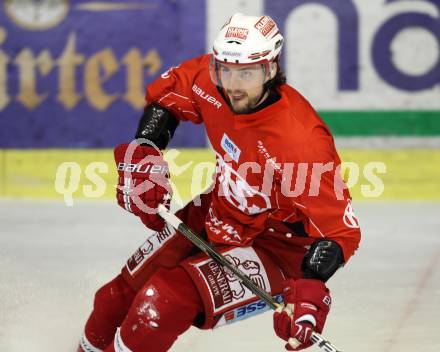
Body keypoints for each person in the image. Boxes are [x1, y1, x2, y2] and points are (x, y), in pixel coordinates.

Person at [77, 13, 361, 352]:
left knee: (160, 305)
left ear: (270, 70)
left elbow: (340, 231)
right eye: (225, 69)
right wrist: (146, 150)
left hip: (274, 246)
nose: (232, 84)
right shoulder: (212, 81)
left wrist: (310, 290)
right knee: (115, 298)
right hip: (218, 209)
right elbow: (169, 98)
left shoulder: (302, 142)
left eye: (247, 73)